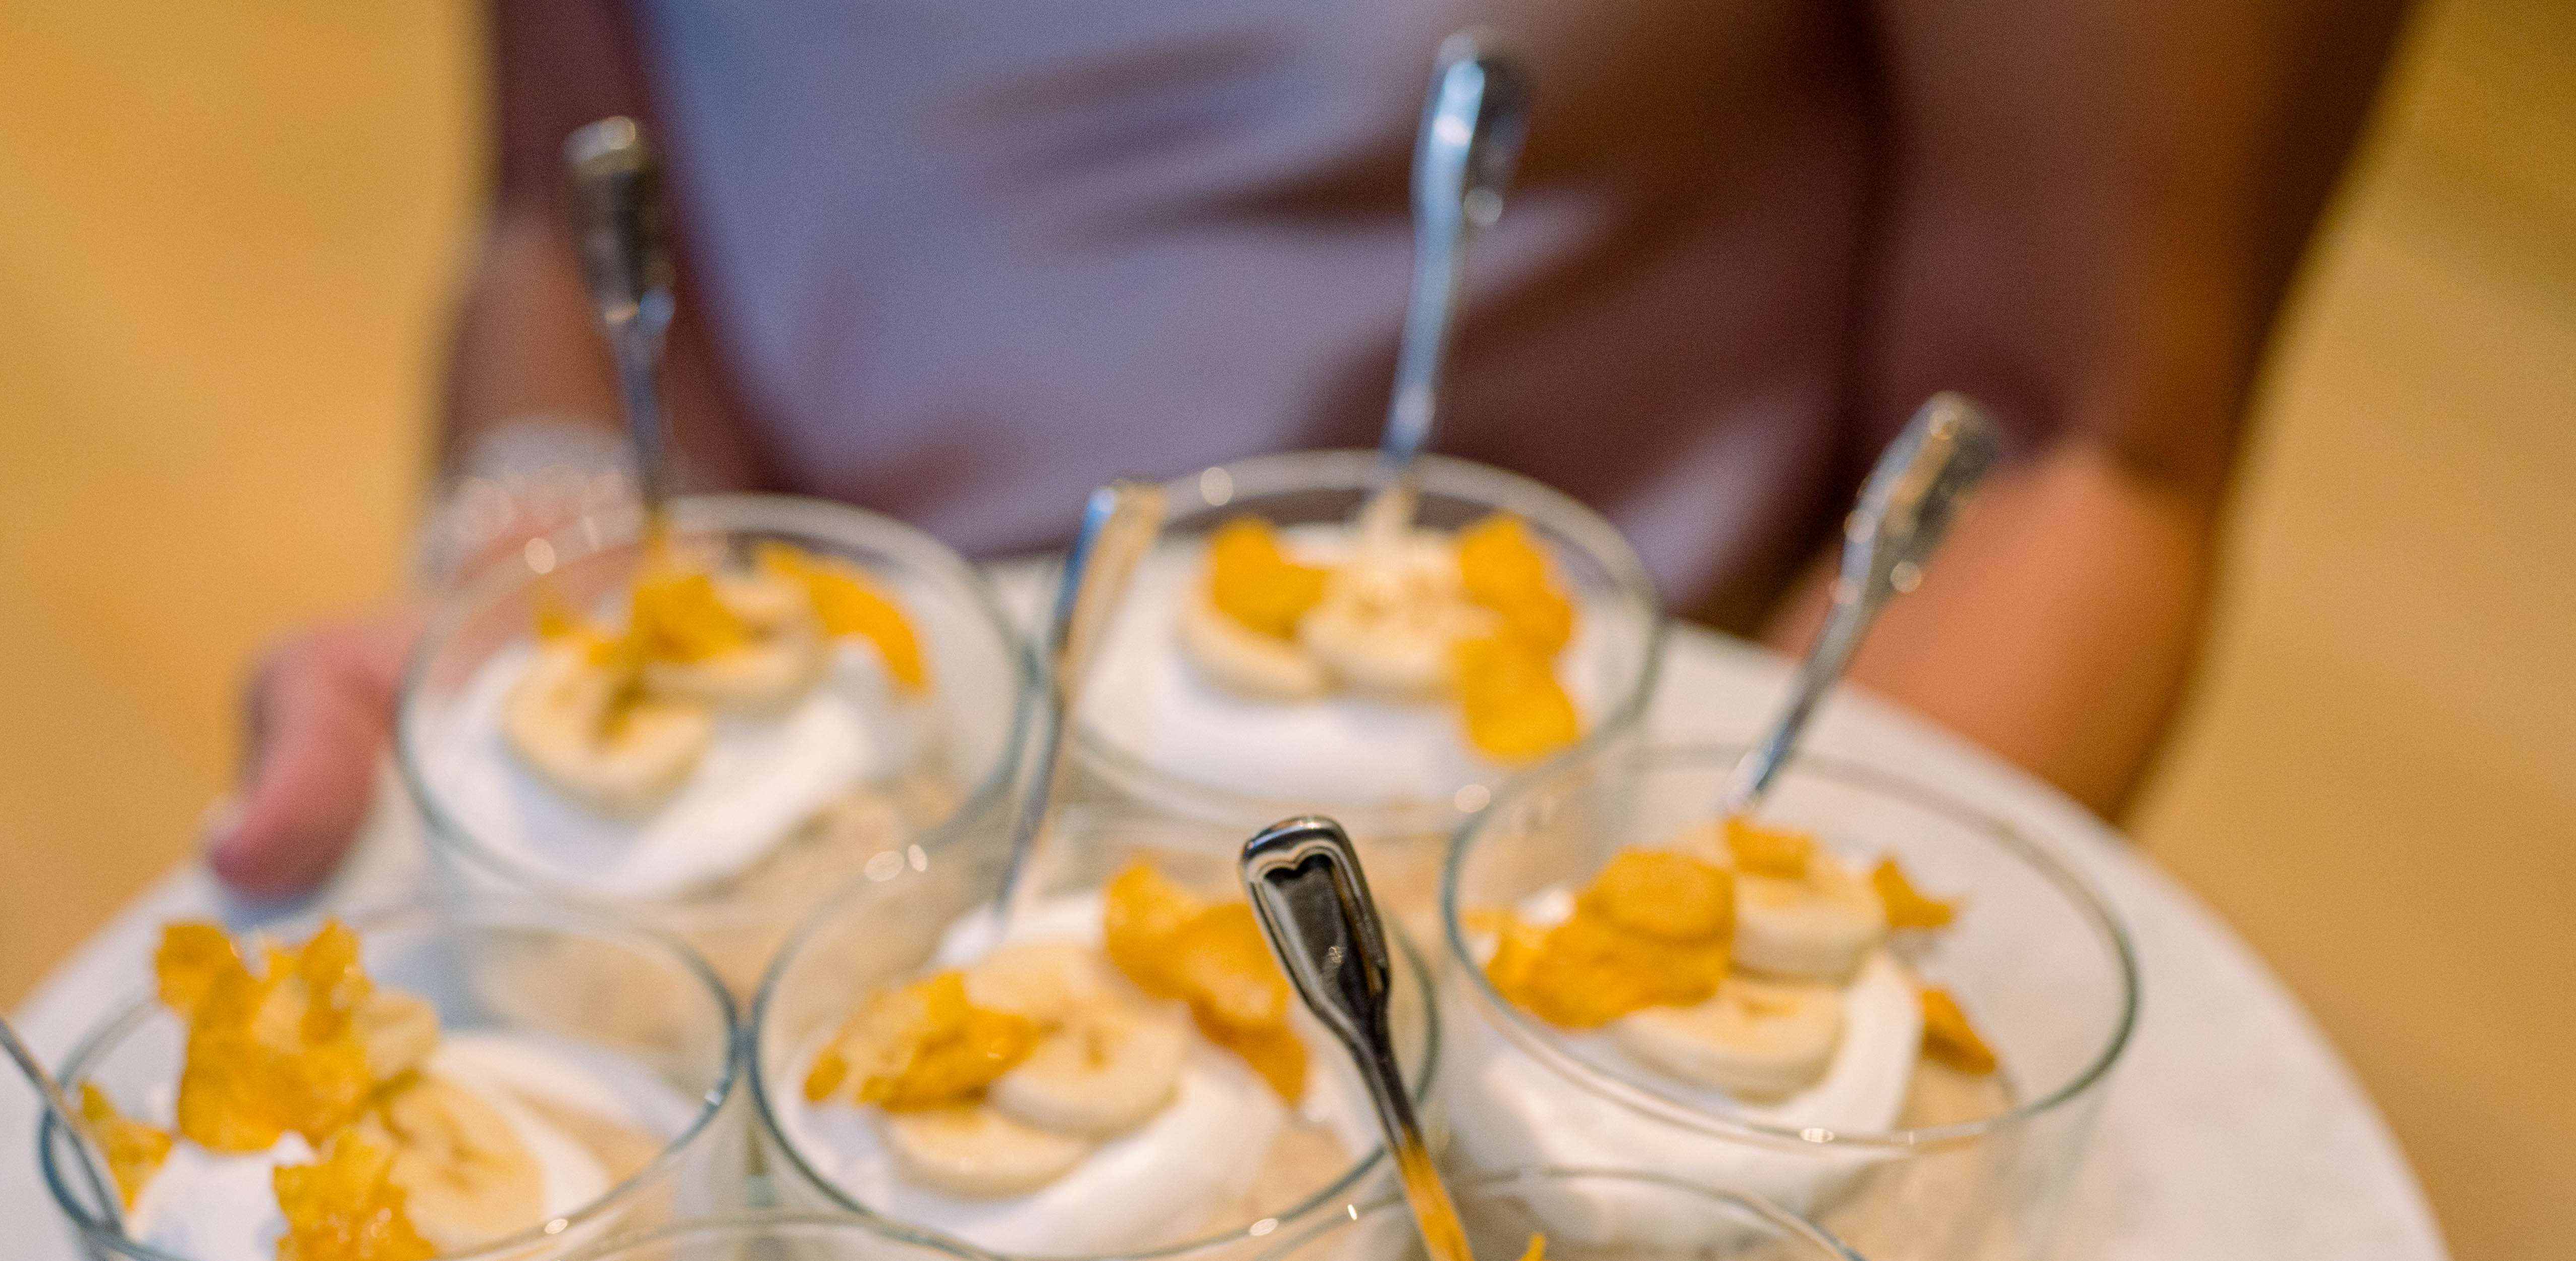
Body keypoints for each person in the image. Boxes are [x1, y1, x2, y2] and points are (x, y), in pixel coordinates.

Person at [206, 0, 2403, 900]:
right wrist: (549, 583)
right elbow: (570, 217)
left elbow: (2069, 445)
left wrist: (1696, 999)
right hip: (818, 831)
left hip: (1558, 857)